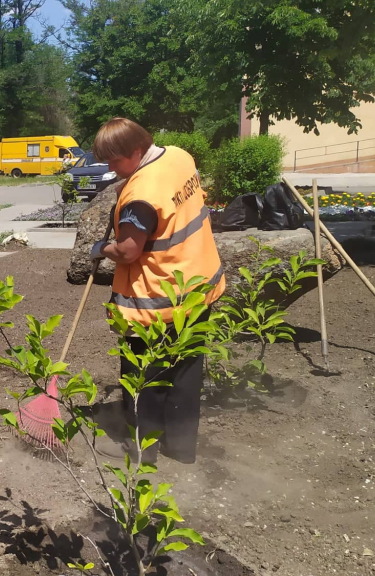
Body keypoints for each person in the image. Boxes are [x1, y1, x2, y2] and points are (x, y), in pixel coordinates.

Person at [89, 118, 226, 464]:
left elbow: (127, 251)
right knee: (185, 372)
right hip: (196, 289)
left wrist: (100, 248)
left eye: (115, 160)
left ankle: (143, 451)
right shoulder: (179, 157)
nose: (110, 168)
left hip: (154, 303)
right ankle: (180, 449)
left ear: (136, 151)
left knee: (142, 379)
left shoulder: (141, 194)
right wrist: (128, 183)